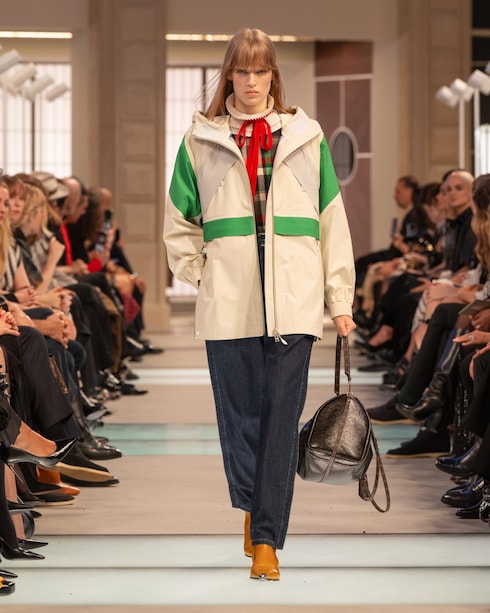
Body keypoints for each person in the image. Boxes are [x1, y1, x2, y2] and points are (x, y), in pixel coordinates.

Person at [164, 28, 356, 581]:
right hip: (230, 301)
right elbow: (179, 223)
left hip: (295, 299)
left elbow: (332, 221)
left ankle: (268, 538)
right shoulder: (200, 140)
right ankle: (253, 505)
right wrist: (203, 275)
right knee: (241, 417)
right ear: (229, 75)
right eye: (242, 71)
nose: (251, 82)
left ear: (274, 75)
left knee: (280, 419)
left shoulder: (306, 136)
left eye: (261, 71)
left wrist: (339, 298)